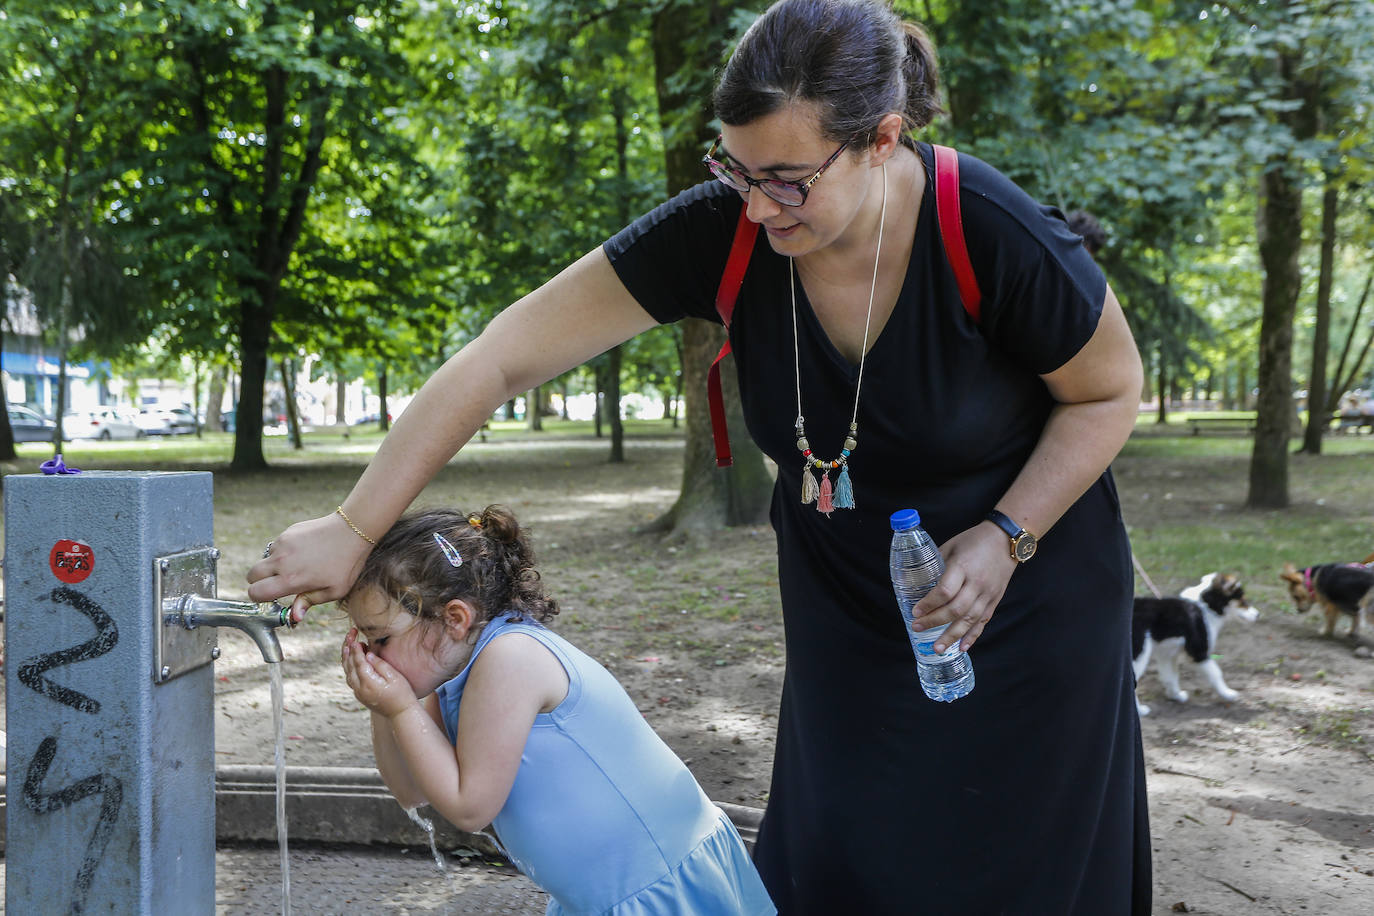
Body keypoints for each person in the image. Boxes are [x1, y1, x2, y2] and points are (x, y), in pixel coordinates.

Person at [249, 1, 1149, 912]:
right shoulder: (727, 226)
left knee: (1020, 870)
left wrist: (1005, 535)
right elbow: (499, 356)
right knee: (848, 865)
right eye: (736, 168)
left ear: (881, 139)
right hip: (851, 609)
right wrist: (351, 523)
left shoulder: (989, 228)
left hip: (1024, 599)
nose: (755, 206)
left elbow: (1109, 393)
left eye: (788, 179)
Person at [337, 504, 775, 915]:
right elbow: (412, 791)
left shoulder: (510, 658)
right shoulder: (449, 672)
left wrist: (399, 710)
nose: (371, 654)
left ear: (455, 619)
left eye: (380, 639)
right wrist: (383, 707)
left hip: (651, 887)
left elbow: (470, 808)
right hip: (599, 895)